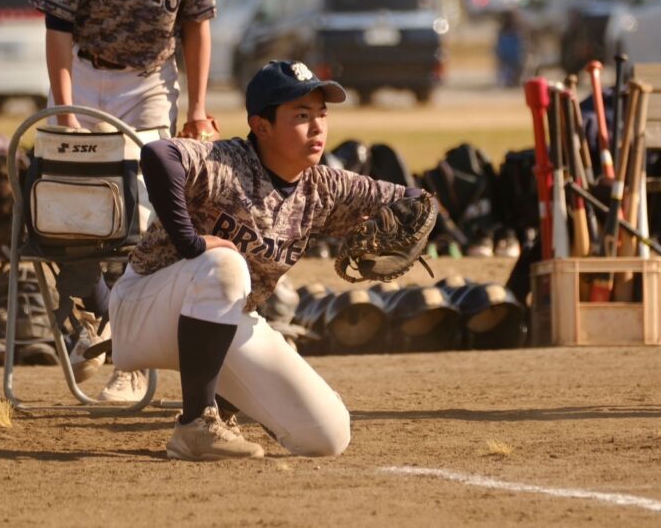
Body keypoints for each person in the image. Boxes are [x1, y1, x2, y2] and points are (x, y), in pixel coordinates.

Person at [109, 60, 426, 460]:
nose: (317, 128)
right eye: (301, 115)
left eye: (321, 115)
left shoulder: (323, 187)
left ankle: (225, 406)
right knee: (226, 263)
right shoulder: (228, 163)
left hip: (218, 323)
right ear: (262, 126)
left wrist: (416, 215)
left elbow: (413, 200)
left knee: (326, 436)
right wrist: (189, 242)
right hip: (144, 310)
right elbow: (159, 155)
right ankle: (195, 424)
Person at [28, 0, 219, 405]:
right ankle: (98, 317)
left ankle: (129, 359)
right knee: (69, 210)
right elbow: (59, 32)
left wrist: (199, 109)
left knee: (144, 213)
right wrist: (66, 112)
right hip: (83, 75)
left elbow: (196, 25)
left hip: (149, 82)